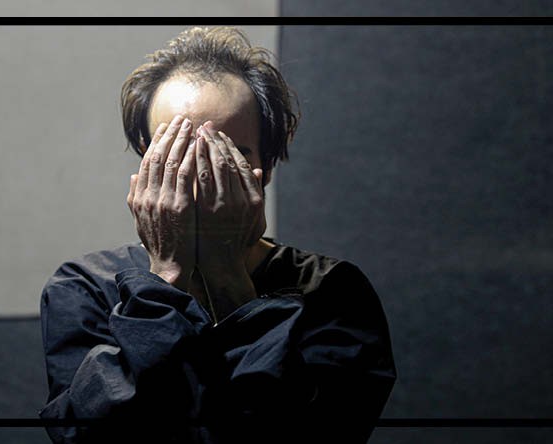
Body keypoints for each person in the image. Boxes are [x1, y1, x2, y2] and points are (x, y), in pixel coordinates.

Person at [39, 26, 396, 444]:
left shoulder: (334, 291)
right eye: (176, 156)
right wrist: (165, 276)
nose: (200, 176)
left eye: (228, 157)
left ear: (267, 164)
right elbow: (87, 437)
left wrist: (228, 278)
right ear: (146, 159)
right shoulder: (85, 287)